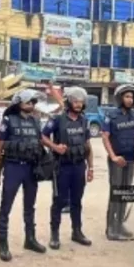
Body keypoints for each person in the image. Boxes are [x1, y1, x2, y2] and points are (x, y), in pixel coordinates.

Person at [0, 89, 48, 260]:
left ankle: (30, 239)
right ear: (19, 103)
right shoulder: (8, 121)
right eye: (28, 102)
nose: (31, 105)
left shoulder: (36, 121)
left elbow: (40, 141)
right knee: (5, 207)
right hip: (13, 167)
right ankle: (3, 244)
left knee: (30, 206)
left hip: (31, 168)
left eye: (33, 102)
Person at [41, 86, 94, 250]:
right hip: (62, 166)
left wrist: (90, 168)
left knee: (77, 200)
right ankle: (54, 234)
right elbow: (42, 136)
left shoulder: (84, 121)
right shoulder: (57, 119)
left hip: (79, 166)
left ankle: (76, 231)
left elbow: (87, 145)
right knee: (59, 201)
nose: (78, 104)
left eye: (81, 102)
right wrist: (55, 147)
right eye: (75, 101)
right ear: (69, 102)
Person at [101, 84, 134, 241]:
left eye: (131, 97)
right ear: (119, 98)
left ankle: (120, 224)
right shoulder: (111, 115)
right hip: (117, 160)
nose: (130, 100)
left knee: (125, 193)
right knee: (116, 193)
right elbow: (105, 137)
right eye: (126, 96)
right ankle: (110, 227)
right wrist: (113, 156)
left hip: (130, 159)